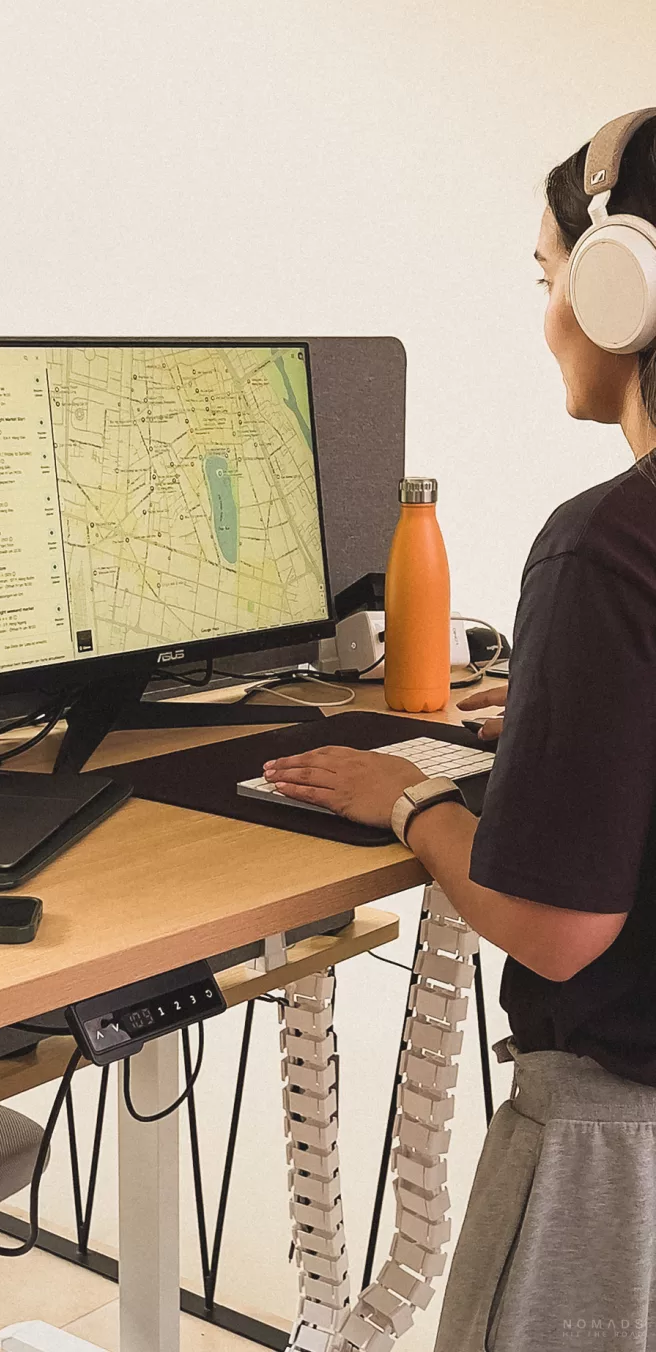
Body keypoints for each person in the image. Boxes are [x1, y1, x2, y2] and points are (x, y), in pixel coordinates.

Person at [263, 114, 656, 1351]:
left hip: (617, 1146)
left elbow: (559, 926)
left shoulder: (604, 547)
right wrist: (552, 703)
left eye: (550, 282)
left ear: (621, 292)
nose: (546, 317)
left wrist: (408, 800)